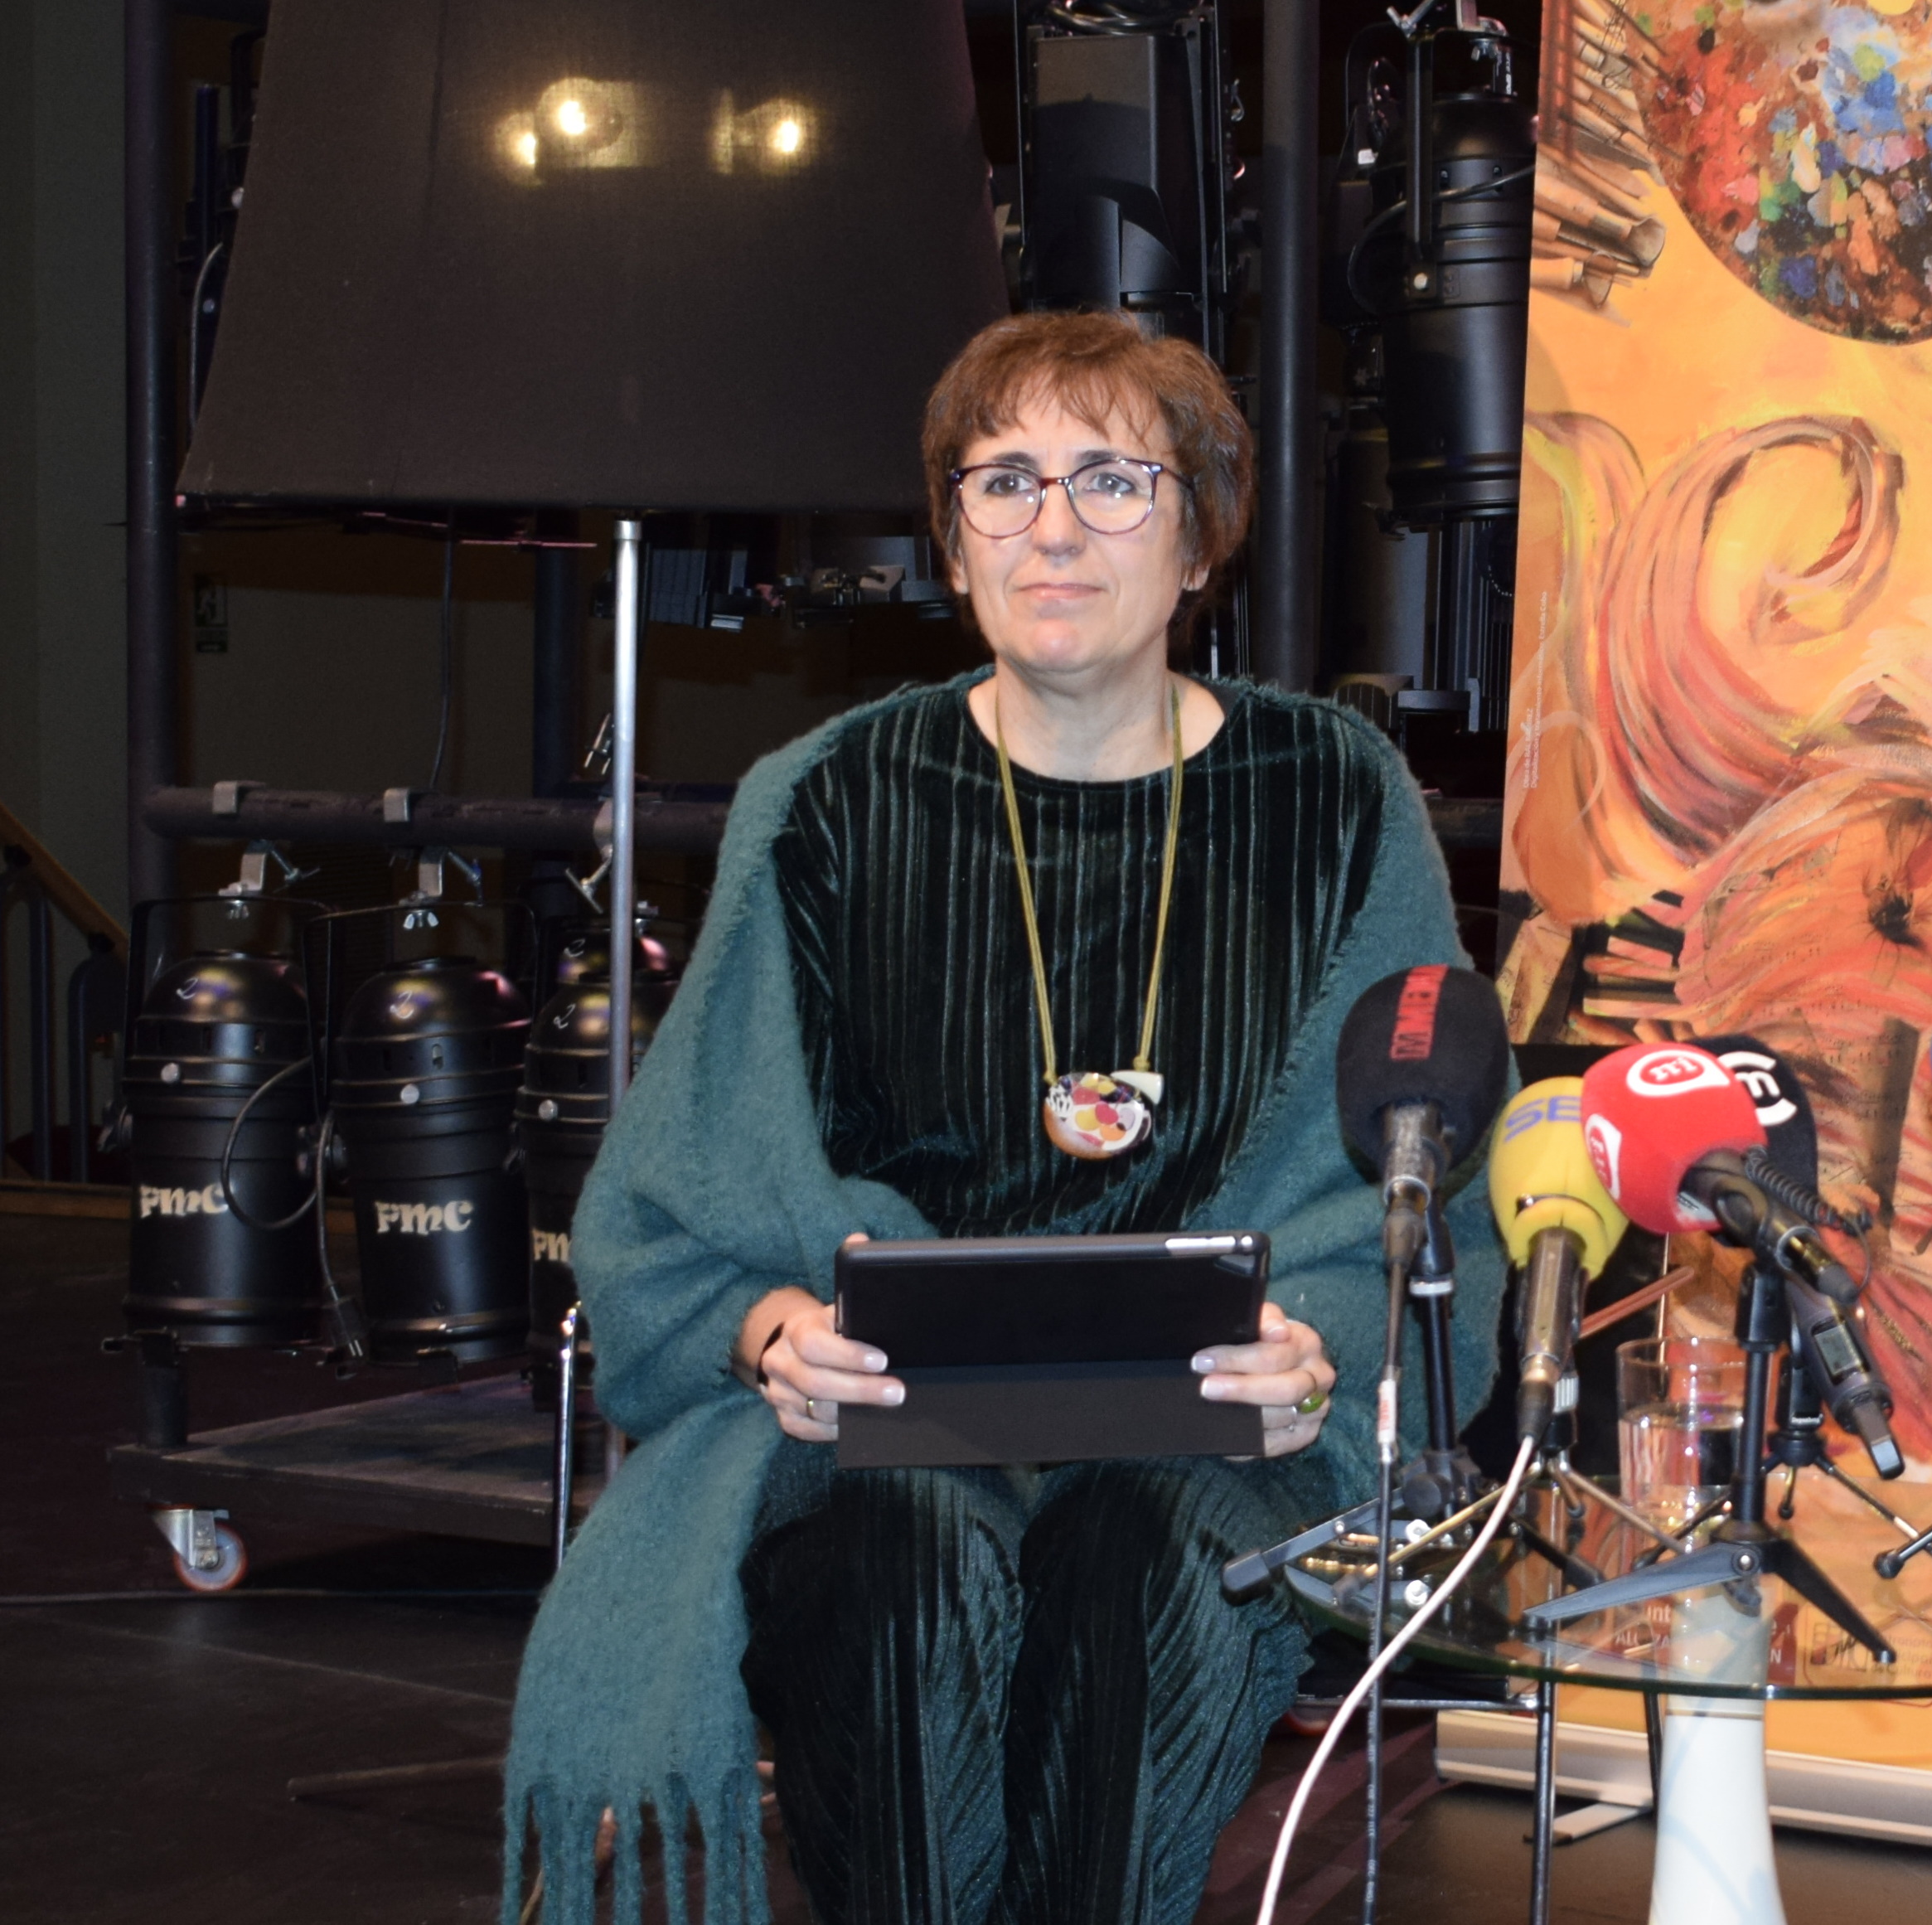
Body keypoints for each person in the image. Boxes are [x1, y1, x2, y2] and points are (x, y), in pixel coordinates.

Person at [500, 312, 1502, 1925]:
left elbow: (1414, 1179)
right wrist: (766, 1330)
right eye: (1006, 480)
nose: (1054, 526)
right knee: (901, 1559)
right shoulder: (827, 800)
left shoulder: (1335, 795)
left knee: (1148, 1553)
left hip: (1208, 1430)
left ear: (1199, 539)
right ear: (954, 538)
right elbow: (671, 1202)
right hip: (885, 1422)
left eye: (1113, 479)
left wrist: (1318, 1344)